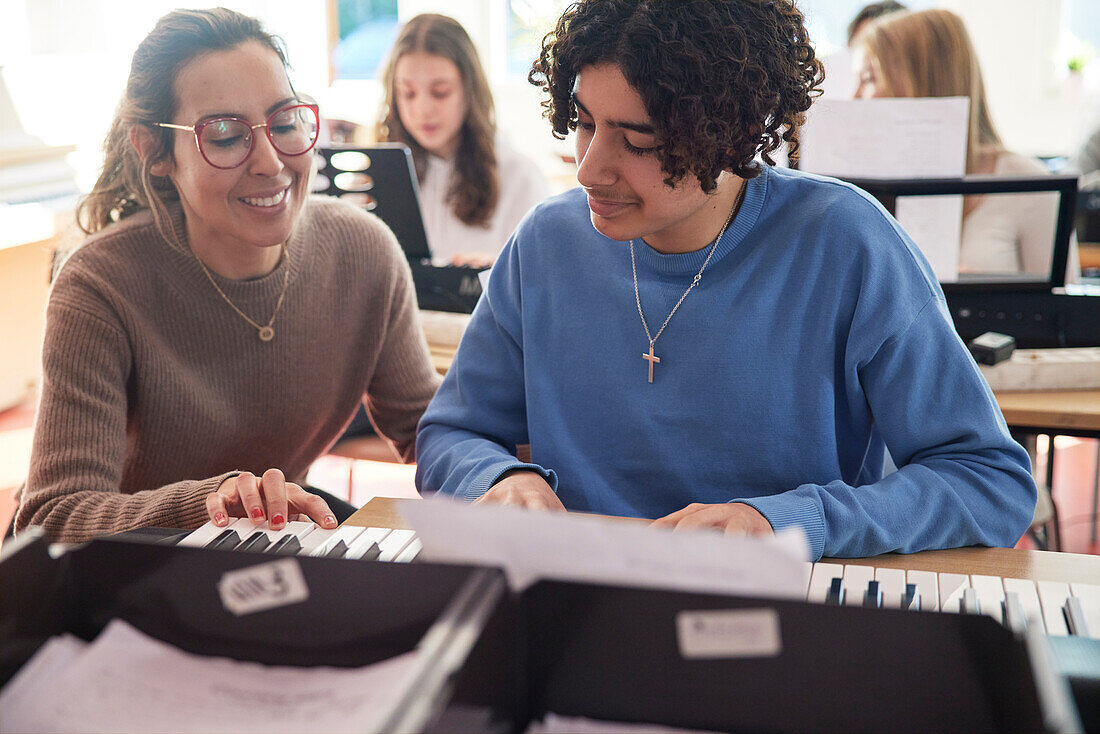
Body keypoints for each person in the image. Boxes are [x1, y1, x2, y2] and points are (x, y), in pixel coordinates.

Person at [414, 0, 1036, 561]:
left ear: (727, 133)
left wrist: (786, 522)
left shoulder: (846, 243)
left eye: (637, 140)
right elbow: (452, 432)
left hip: (780, 615)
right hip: (578, 608)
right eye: (583, 123)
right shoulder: (546, 244)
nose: (588, 168)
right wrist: (498, 478)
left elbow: (988, 479)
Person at [13, 8, 440, 543]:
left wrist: (518, 459)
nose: (270, 161)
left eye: (284, 123)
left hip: (266, 554)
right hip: (132, 575)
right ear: (154, 151)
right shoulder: (99, 285)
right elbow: (50, 517)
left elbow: (429, 429)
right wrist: (208, 506)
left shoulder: (364, 251)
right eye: (224, 135)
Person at [854, 9, 1079, 281]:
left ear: (918, 82)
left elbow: (1068, 311)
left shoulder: (1029, 185)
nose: (854, 98)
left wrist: (984, 296)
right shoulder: (865, 187)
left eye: (868, 79)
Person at [376, 13, 550, 267]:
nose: (423, 109)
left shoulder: (520, 177)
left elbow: (542, 285)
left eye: (440, 93)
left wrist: (497, 277)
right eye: (408, 93)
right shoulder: (381, 173)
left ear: (469, 90)